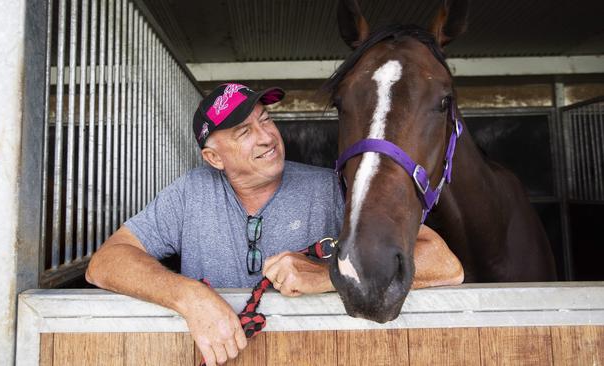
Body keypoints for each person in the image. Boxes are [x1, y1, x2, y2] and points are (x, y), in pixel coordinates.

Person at [86, 83, 463, 366]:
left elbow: (445, 265)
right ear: (214, 157)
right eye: (244, 132)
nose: (267, 137)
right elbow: (106, 262)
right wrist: (188, 297)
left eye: (265, 120)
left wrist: (323, 277)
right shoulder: (189, 193)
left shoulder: (332, 188)